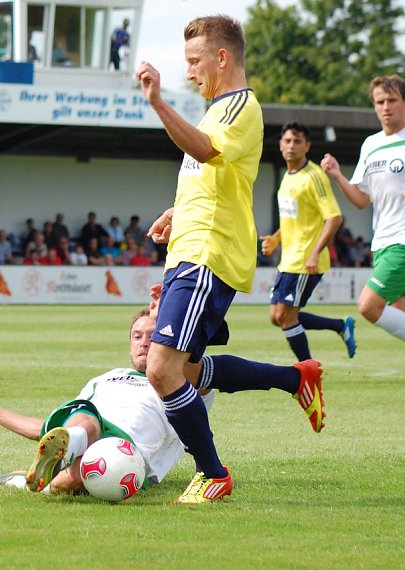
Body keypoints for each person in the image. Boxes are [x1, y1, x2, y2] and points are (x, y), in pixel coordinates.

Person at [135, 15, 323, 504]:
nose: (191, 73)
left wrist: (158, 103)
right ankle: (295, 377)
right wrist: (177, 212)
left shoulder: (240, 106)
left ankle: (213, 472)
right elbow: (216, 177)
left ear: (222, 58)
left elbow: (207, 151)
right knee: (190, 373)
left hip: (208, 255)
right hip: (191, 248)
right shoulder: (216, 110)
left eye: (196, 62)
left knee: (161, 370)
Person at [0, 305, 322, 494]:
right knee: (80, 430)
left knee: (77, 464)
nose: (145, 341)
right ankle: (32, 474)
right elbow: (52, 430)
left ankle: (37, 474)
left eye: (152, 335)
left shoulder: (177, 376)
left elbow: (214, 365)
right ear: (128, 342)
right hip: (90, 441)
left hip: (132, 458)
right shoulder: (104, 379)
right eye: (137, 335)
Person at [322, 74, 405, 384]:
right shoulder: (371, 144)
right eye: (380, 102)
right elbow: (361, 200)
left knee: (368, 306)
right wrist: (339, 176)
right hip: (382, 242)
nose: (386, 107)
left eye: (392, 100)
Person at [259, 122, 355, 362]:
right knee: (276, 316)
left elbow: (334, 218)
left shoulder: (314, 176)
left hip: (305, 260)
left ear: (307, 146)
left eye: (297, 141)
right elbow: (295, 217)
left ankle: (308, 373)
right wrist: (276, 237)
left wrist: (314, 252)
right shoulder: (288, 176)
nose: (292, 146)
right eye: (288, 141)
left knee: (286, 317)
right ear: (281, 144)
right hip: (289, 259)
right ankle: (340, 326)